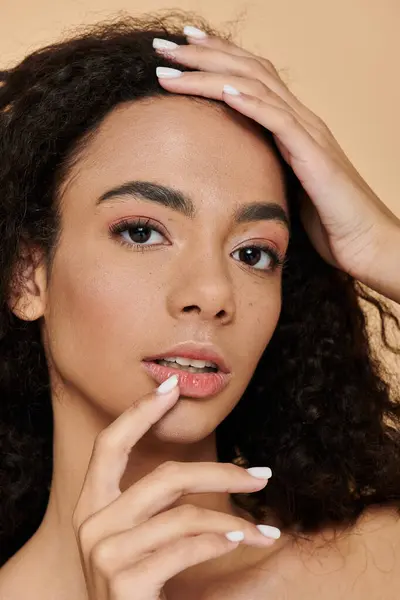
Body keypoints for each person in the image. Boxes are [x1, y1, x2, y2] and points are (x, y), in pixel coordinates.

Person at [0, 10, 399, 600]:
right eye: (141, 232)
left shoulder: (381, 559)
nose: (212, 294)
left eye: (254, 253)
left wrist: (382, 247)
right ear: (27, 277)